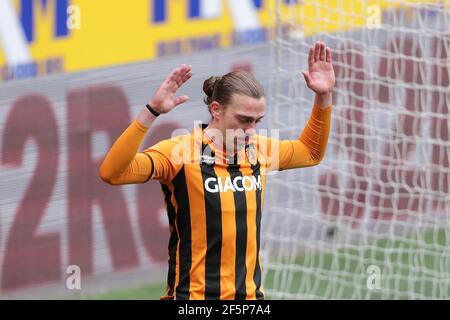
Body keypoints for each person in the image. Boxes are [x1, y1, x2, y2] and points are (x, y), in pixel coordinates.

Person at [99, 41, 335, 300]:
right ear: (216, 110)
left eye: (257, 121)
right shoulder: (179, 153)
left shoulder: (259, 149)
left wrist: (323, 97)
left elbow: (311, 152)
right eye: (244, 120)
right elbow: (113, 173)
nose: (251, 130)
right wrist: (151, 112)